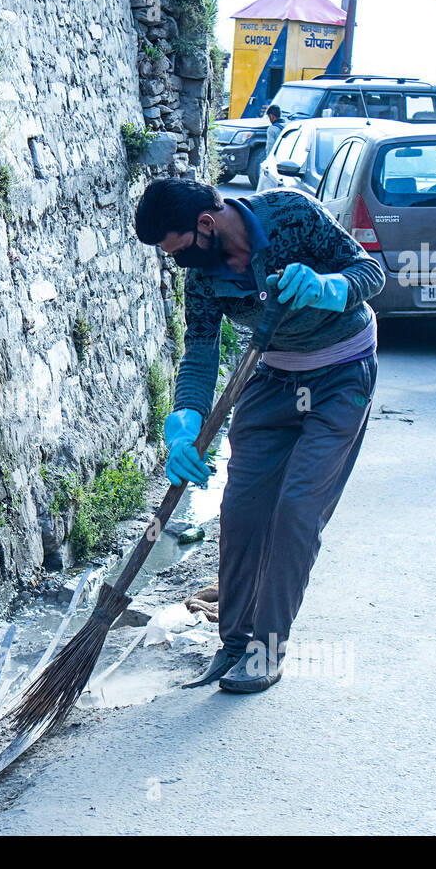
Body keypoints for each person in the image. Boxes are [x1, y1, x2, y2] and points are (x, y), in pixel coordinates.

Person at [134, 179, 384, 693]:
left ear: (206, 224)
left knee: (296, 509)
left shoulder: (293, 213)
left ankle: (268, 650)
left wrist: (328, 286)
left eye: (177, 249)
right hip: (271, 376)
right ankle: (233, 644)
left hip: (342, 372)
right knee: (242, 508)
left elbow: (370, 270)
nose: (178, 262)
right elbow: (200, 354)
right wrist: (184, 428)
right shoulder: (203, 277)